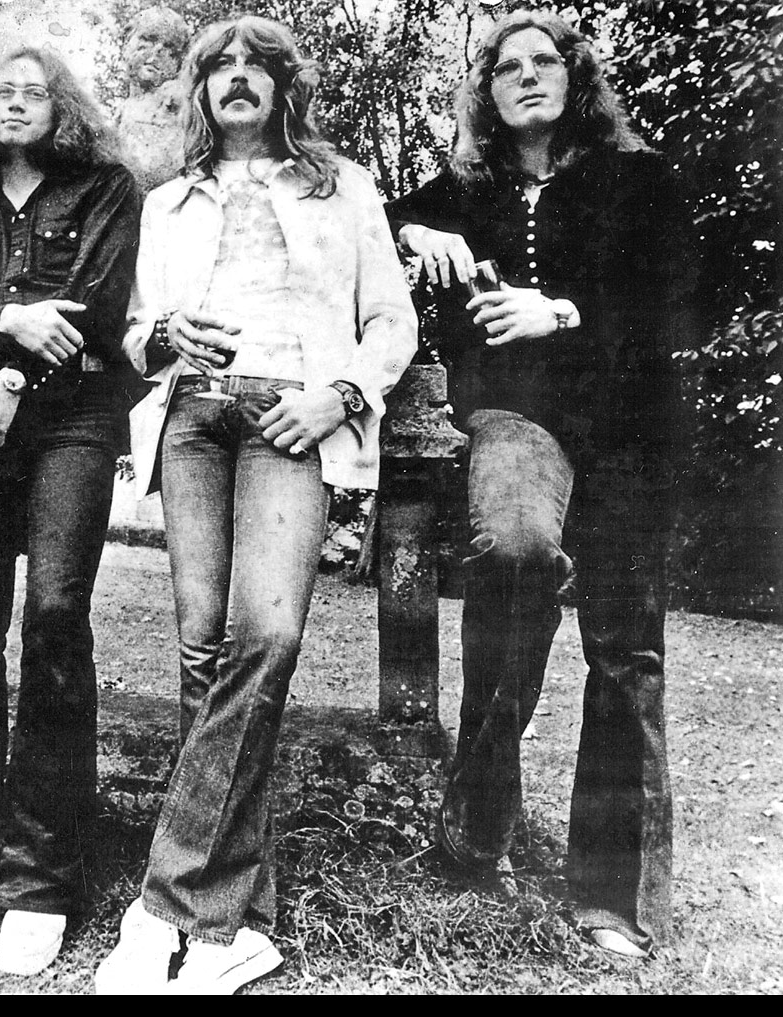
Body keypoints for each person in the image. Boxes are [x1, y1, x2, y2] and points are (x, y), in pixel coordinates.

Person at [96, 16, 417, 994]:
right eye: (218, 68)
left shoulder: (340, 185)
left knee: (265, 637)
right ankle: (234, 925)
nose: (236, 79)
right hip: (193, 420)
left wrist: (340, 395)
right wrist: (163, 336)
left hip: (291, 417)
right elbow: (134, 334)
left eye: (256, 66)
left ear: (284, 87)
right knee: (204, 652)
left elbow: (390, 319)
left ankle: (161, 904)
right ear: (199, 92)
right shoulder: (168, 202)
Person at [384, 9, 697, 958]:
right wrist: (416, 233)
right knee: (515, 551)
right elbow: (365, 220)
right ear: (486, 92)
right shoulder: (463, 189)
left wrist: (559, 310)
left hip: (631, 426)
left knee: (624, 643)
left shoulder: (641, 181)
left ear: (575, 76)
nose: (527, 74)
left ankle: (614, 894)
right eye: (507, 66)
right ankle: (481, 809)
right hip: (518, 416)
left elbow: (679, 302)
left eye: (544, 60)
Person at [0, 46, 140, 977]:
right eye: (2, 93)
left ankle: (40, 875)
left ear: (64, 109)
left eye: (35, 92)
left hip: (72, 423)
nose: (16, 104)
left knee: (53, 616)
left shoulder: (105, 191)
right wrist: (7, 322)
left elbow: (96, 305)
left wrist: (10, 374)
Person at [113, 6, 191, 193]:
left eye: (170, 48)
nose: (158, 51)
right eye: (148, 39)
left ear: (178, 63)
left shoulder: (175, 101)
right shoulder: (123, 110)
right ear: (126, 44)